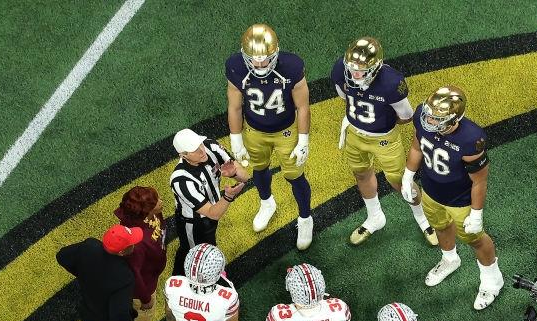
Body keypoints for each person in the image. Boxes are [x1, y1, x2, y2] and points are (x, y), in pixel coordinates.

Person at [404, 85, 505, 310]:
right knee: (440, 226)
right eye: (428, 115)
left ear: (454, 119)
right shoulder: (423, 117)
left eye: (436, 118)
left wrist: (477, 213)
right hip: (431, 191)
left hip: (460, 199)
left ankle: (492, 280)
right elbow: (417, 147)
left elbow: (479, 180)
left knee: (476, 239)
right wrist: (407, 176)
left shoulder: (471, 139)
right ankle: (450, 259)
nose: (429, 121)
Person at [332, 37, 435, 246]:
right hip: (354, 133)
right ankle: (375, 217)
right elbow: (344, 96)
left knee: (400, 181)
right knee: (361, 173)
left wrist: (381, 124)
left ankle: (424, 219)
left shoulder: (391, 82)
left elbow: (406, 116)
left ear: (376, 66)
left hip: (384, 140)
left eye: (361, 69)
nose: (355, 74)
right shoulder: (339, 70)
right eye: (351, 68)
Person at [226, 24, 314, 250]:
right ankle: (267, 203)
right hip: (254, 130)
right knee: (260, 168)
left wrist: (303, 140)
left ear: (275, 53)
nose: (259, 64)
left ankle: (305, 218)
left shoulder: (291, 66)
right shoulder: (236, 67)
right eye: (254, 59)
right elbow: (235, 106)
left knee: (295, 175)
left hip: (286, 130)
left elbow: (303, 106)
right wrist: (236, 138)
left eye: (265, 59)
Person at [169, 128, 249, 276]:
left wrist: (234, 173)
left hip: (213, 208)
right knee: (194, 254)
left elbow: (245, 177)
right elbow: (213, 214)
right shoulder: (181, 180)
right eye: (194, 149)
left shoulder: (210, 146)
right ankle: (180, 281)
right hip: (194, 222)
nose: (201, 150)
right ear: (183, 155)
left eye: (199, 144)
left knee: (200, 249)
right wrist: (228, 197)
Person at [115, 186, 167, 321]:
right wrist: (145, 297)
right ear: (145, 211)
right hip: (143, 287)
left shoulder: (146, 217)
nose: (161, 202)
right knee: (142, 317)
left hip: (151, 274)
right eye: (155, 202)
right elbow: (134, 274)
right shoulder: (134, 243)